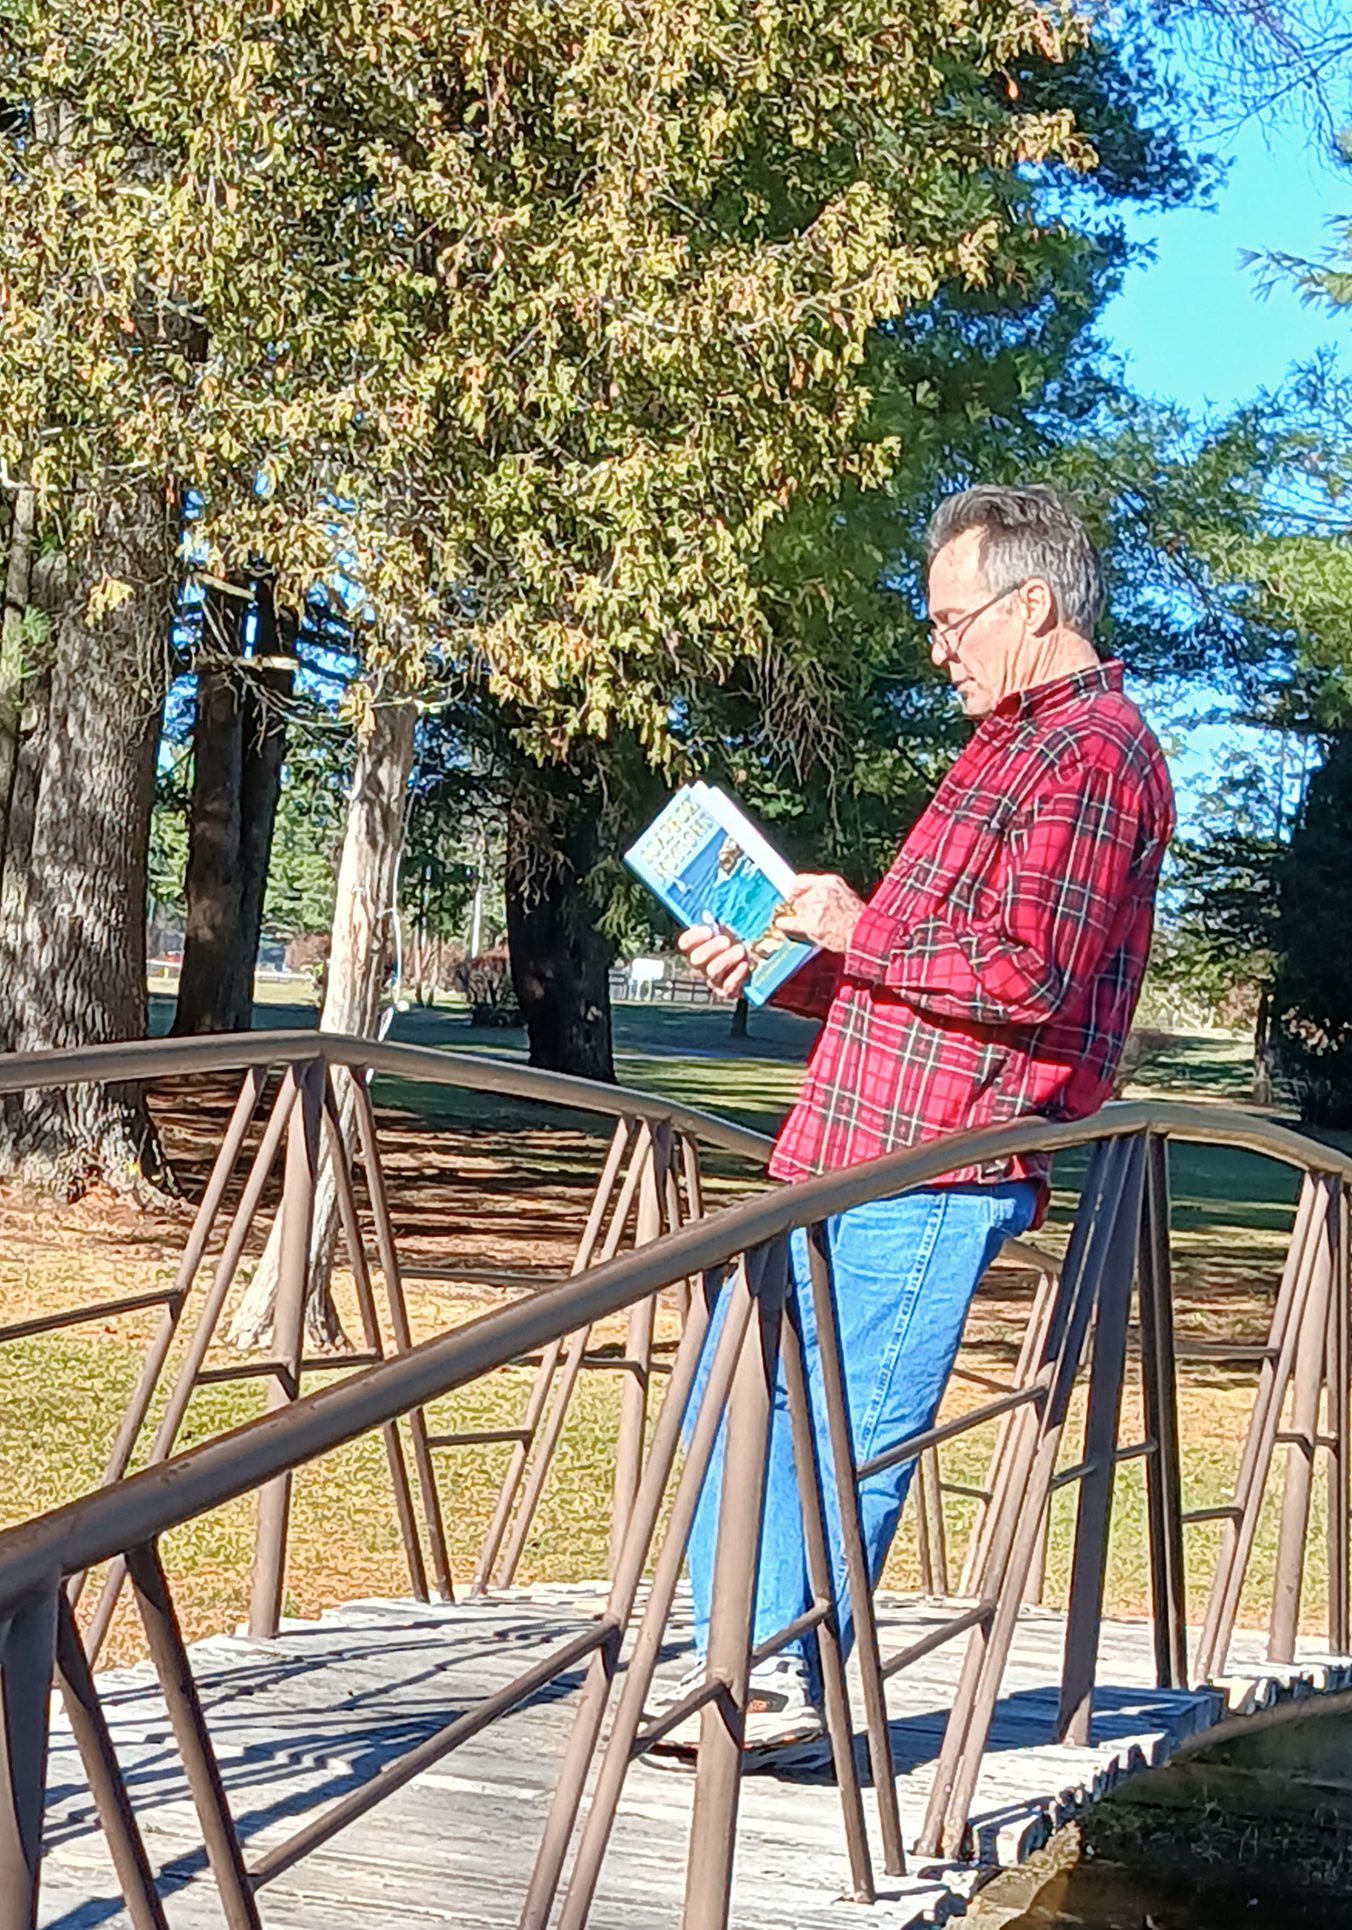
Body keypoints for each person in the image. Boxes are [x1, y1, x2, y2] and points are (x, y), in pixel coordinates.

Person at [654, 484, 1175, 1758]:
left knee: (844, 1436)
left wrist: (851, 924)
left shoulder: (1095, 751)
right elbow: (916, 977)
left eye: (950, 620)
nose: (935, 645)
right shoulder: (1006, 741)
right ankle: (744, 1663)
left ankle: (778, 1690)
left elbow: (1029, 969)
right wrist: (784, 965)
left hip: (938, 1165)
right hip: (840, 1149)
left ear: (1032, 606)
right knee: (729, 1399)